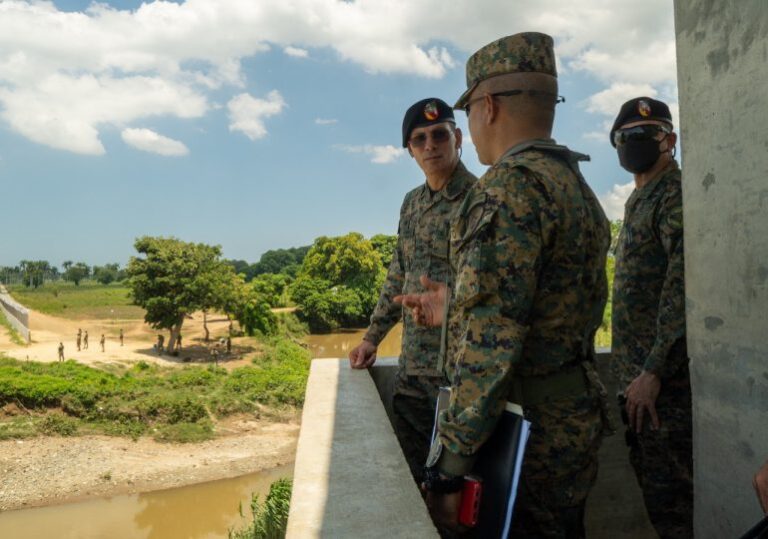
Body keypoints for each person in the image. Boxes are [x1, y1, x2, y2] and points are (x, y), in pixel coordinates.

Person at [396, 32, 611, 537]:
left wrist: (448, 471)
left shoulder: (506, 190)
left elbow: (491, 345)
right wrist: (458, 303)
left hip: (526, 433)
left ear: (487, 106)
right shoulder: (573, 183)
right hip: (571, 423)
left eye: (466, 111)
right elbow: (550, 307)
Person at [348, 97, 476, 485]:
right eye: (419, 139)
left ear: (458, 138)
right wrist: (372, 338)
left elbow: (495, 290)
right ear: (410, 151)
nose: (430, 145)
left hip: (463, 375)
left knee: (461, 491)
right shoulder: (412, 204)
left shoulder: (481, 199)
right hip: (414, 371)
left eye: (439, 135)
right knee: (412, 482)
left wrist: (449, 301)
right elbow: (397, 274)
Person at [610, 97, 692, 538]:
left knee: (674, 506)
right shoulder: (639, 198)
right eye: (624, 138)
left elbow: (680, 289)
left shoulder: (673, 195)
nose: (633, 143)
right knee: (656, 501)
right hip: (636, 386)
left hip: (661, 390)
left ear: (669, 141)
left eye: (645, 134)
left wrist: (654, 370)